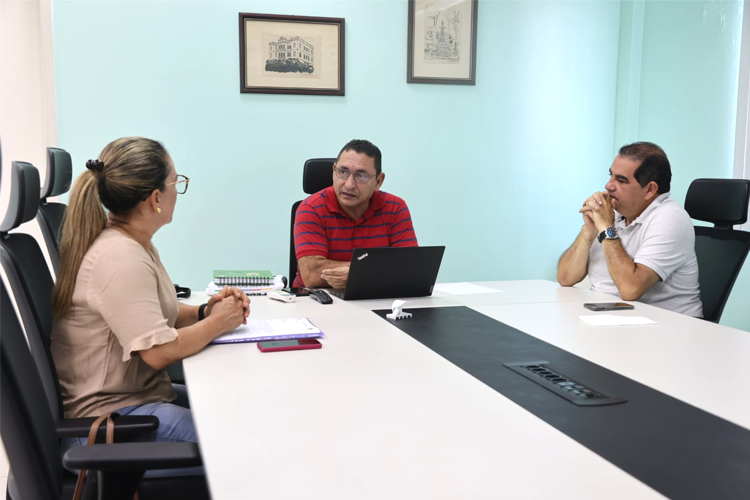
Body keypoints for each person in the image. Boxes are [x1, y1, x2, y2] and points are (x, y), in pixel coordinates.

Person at [51, 137, 250, 476]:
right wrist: (218, 322)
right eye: (176, 183)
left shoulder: (133, 242)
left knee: (243, 412)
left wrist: (205, 311)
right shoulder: (119, 257)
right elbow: (159, 351)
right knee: (248, 445)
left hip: (133, 404)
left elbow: (152, 316)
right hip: (110, 427)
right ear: (156, 198)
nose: (178, 192)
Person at [556, 142, 702, 317]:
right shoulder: (615, 213)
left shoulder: (671, 218)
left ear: (650, 190)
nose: (608, 185)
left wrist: (606, 228)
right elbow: (565, 278)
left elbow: (630, 289)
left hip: (664, 325)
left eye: (621, 180)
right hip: (611, 316)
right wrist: (589, 230)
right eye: (611, 175)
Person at [293, 139, 418, 288]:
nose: (349, 184)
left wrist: (358, 274)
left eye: (361, 176)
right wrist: (374, 272)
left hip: (375, 296)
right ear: (334, 172)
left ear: (378, 181)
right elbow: (312, 275)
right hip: (315, 298)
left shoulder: (395, 208)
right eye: (343, 172)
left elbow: (410, 268)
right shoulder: (311, 208)